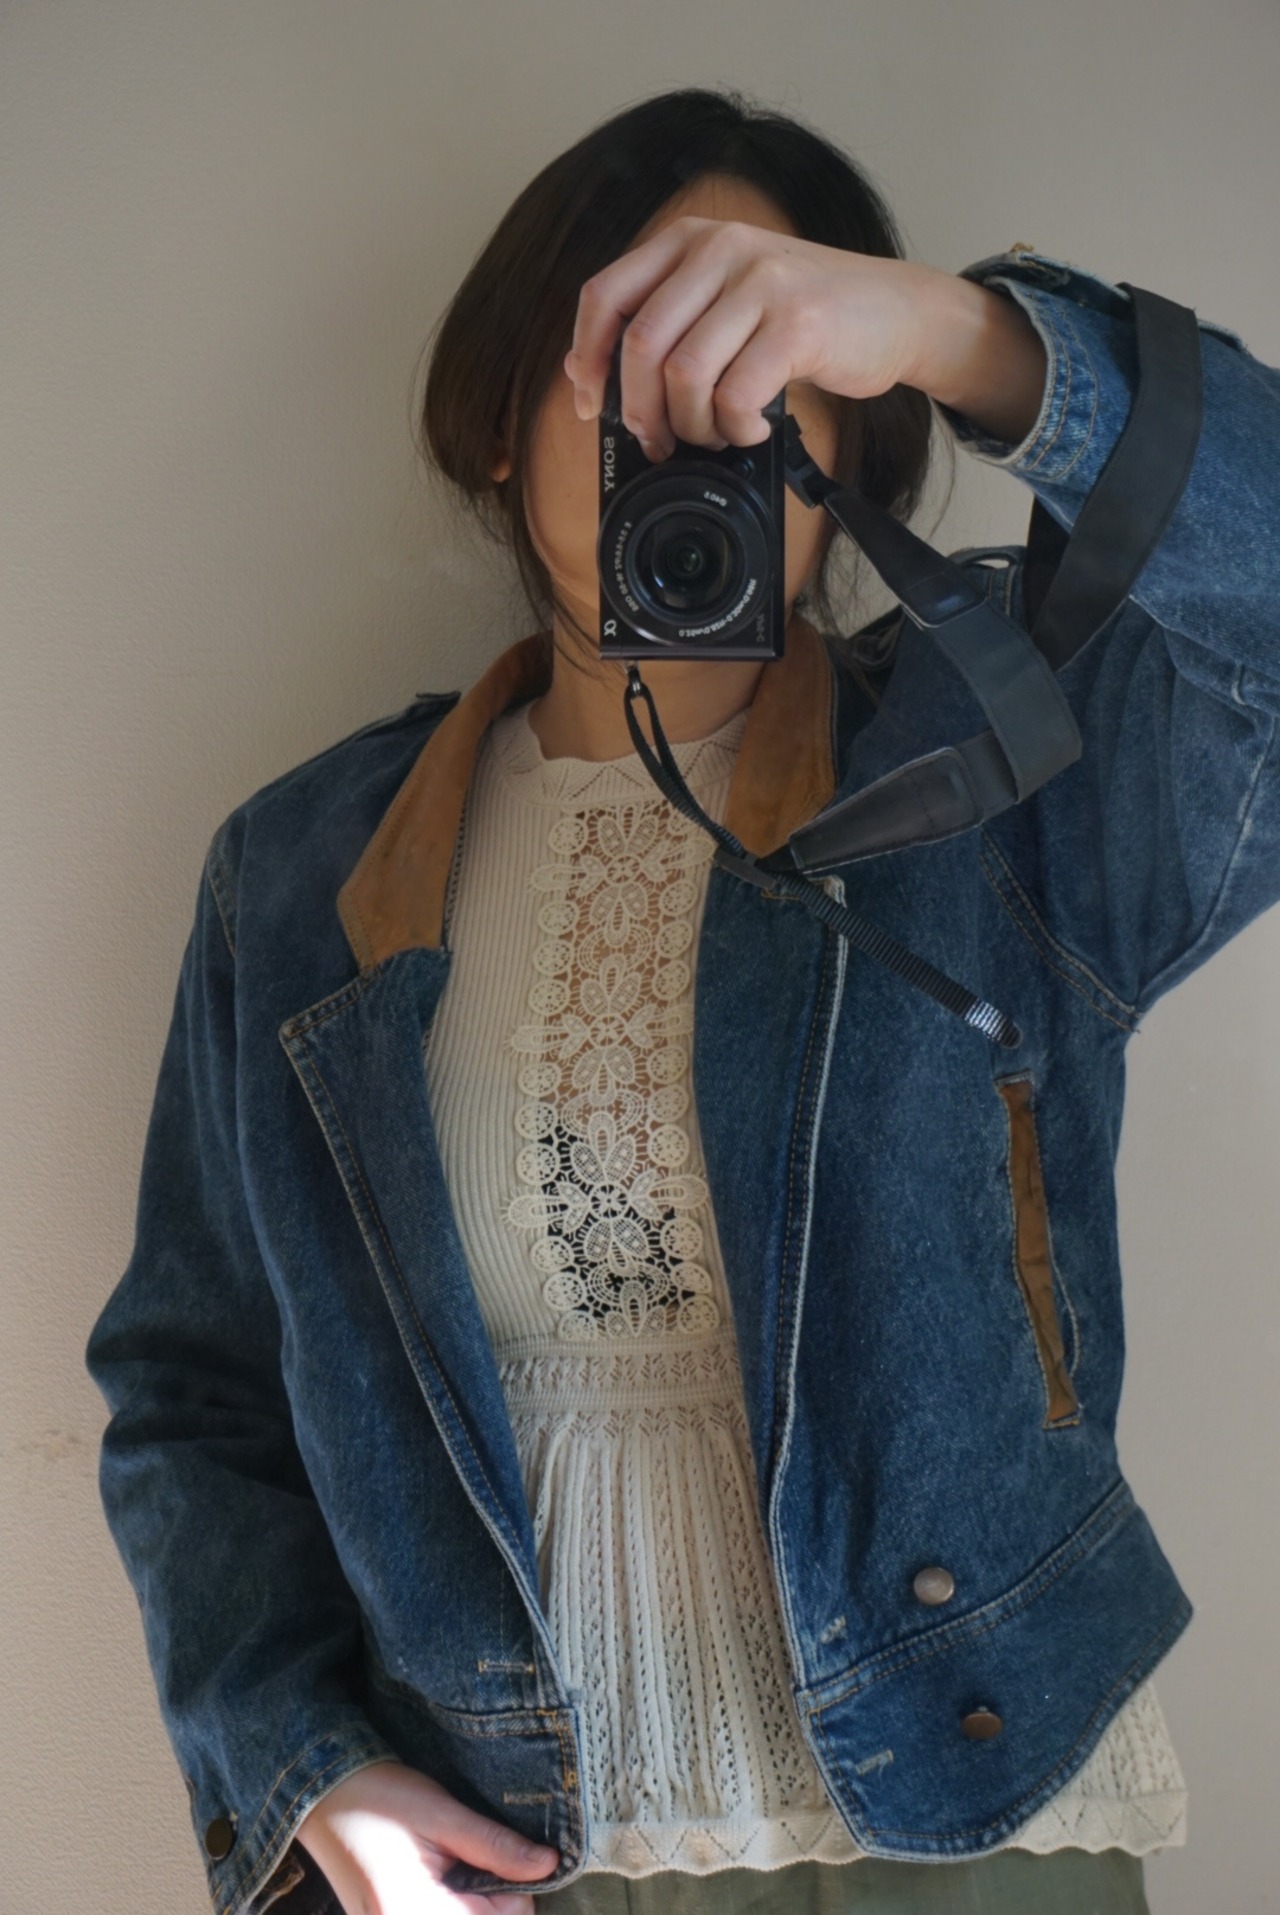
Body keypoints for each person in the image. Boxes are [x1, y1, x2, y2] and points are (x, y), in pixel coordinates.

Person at [84, 87, 1280, 1915]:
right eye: (624, 366)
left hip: (976, 1828)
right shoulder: (309, 875)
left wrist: (973, 333)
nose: (688, 428)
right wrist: (301, 1768)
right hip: (505, 1860)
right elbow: (196, 1388)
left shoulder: (1003, 783)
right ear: (502, 427)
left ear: (850, 445)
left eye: (759, 376)